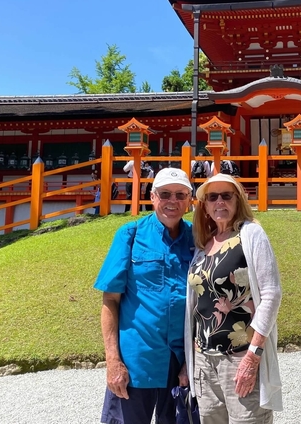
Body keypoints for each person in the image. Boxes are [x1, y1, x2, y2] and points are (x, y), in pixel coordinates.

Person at [94, 168, 195, 424]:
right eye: (165, 194)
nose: (173, 201)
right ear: (152, 197)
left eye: (180, 194)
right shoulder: (131, 234)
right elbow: (110, 301)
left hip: (180, 361)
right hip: (137, 359)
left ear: (190, 199)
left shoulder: (198, 238)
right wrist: (113, 361)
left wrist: (192, 361)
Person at [185, 173, 283, 423]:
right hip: (204, 361)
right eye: (212, 197)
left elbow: (271, 294)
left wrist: (254, 355)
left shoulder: (250, 234)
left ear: (238, 201)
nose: (220, 202)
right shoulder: (202, 245)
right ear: (205, 206)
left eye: (226, 196)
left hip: (239, 356)